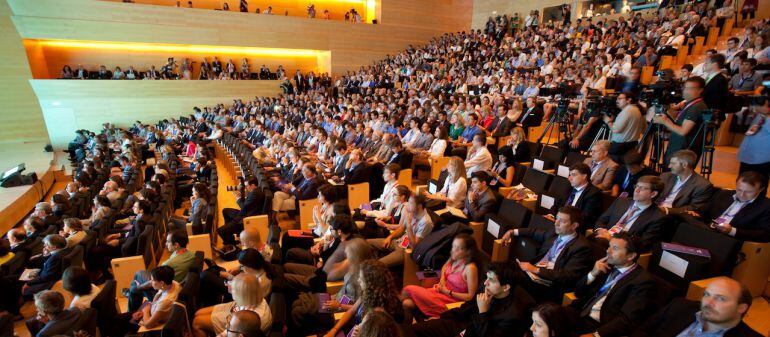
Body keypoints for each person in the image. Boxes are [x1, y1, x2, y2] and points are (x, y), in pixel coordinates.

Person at [409, 262, 535, 337]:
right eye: (486, 278)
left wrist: (483, 312)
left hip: (474, 333)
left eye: (491, 280)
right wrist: (442, 317)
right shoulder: (485, 288)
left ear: (506, 287)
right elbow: (465, 308)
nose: (485, 283)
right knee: (414, 330)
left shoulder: (513, 316)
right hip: (461, 325)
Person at [566, 233, 656, 337]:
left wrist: (596, 335)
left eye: (615, 248)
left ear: (631, 256)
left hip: (599, 326)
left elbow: (626, 320)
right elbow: (578, 292)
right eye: (609, 246)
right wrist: (592, 274)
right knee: (546, 314)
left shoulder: (643, 281)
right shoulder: (605, 265)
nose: (608, 251)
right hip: (579, 312)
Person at [501, 206, 594, 302]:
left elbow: (567, 276)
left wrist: (536, 270)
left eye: (562, 221)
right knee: (503, 270)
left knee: (509, 279)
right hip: (534, 272)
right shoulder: (554, 233)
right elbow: (534, 232)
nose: (556, 223)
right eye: (556, 219)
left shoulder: (581, 247)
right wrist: (512, 232)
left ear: (574, 226)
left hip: (552, 284)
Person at [630, 277, 762, 337]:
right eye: (706, 295)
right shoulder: (679, 306)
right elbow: (644, 330)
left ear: (741, 308)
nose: (708, 303)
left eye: (721, 298)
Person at [402, 234, 480, 319]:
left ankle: (392, 312)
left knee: (408, 289)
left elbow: (471, 297)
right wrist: (442, 278)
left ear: (467, 251)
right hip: (439, 292)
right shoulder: (454, 258)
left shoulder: (470, 268)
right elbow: (444, 267)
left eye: (458, 248)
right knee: (406, 303)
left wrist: (448, 292)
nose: (453, 250)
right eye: (453, 246)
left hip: (452, 301)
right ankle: (404, 328)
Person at [324, 260, 403, 337]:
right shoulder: (368, 293)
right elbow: (351, 311)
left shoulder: (380, 316)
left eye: (361, 279)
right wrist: (334, 330)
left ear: (370, 285)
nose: (358, 281)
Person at [592, 175, 666, 252]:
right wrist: (600, 230)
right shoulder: (621, 201)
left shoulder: (658, 217)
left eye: (642, 188)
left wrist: (612, 239)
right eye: (636, 186)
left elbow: (644, 243)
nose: (636, 190)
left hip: (622, 250)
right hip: (602, 237)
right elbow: (601, 220)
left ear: (653, 194)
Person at [126, 230, 195, 311]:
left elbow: (153, 282)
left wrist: (138, 287)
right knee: (139, 274)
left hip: (164, 291)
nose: (166, 244)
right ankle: (131, 292)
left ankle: (131, 306)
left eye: (168, 241)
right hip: (174, 283)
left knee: (135, 285)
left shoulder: (168, 264)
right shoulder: (192, 254)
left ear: (176, 245)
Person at [692, 171, 770, 242]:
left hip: (732, 241)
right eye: (739, 189)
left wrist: (732, 231)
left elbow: (765, 235)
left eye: (748, 192)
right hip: (707, 231)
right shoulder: (723, 194)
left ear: (760, 190)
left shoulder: (766, 206)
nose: (742, 195)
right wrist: (696, 213)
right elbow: (704, 210)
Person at [193, 273, 272, 337]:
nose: (230, 289)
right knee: (198, 313)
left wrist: (223, 334)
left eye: (233, 289)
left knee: (196, 323)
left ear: (241, 295)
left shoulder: (253, 317)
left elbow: (232, 330)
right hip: (235, 310)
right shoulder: (253, 296)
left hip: (236, 325)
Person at [653, 77, 708, 163]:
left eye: (689, 88)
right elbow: (680, 126)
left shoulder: (696, 106)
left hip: (682, 152)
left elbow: (683, 131)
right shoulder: (690, 104)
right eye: (684, 88)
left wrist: (665, 121)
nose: (685, 91)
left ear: (700, 90)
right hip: (678, 148)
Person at [368, 194, 433, 267]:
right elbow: (401, 229)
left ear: (419, 206)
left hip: (406, 251)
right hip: (398, 242)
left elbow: (414, 245)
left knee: (378, 265)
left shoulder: (426, 222)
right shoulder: (413, 212)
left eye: (411, 203)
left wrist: (409, 226)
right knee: (366, 243)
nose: (408, 205)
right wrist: (389, 238)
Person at [114, 266, 181, 336]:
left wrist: (145, 311)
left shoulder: (166, 301)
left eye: (152, 280)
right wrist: (146, 308)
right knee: (119, 319)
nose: (150, 282)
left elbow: (148, 325)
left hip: (150, 322)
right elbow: (156, 303)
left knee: (118, 321)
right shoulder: (173, 283)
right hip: (150, 311)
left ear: (161, 283)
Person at [657, 150, 714, 216]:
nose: (669, 166)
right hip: (655, 210)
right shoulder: (665, 176)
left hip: (674, 215)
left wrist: (666, 210)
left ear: (684, 165)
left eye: (673, 163)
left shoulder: (702, 185)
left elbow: (694, 208)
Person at [218, 177, 264, 245]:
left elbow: (243, 207)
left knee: (220, 231)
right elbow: (247, 204)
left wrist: (238, 198)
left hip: (246, 218)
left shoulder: (255, 194)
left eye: (247, 186)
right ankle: (229, 231)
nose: (246, 188)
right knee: (225, 211)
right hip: (245, 212)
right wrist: (241, 196)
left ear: (253, 185)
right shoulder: (255, 191)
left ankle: (231, 243)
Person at [738, 91, 770, 187]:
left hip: (762, 160)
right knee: (742, 182)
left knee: (756, 185)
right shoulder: (760, 115)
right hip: (747, 156)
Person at [560, 163, 603, 231]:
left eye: (573, 175)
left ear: (584, 176)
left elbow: (585, 217)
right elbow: (558, 204)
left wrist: (563, 221)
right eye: (569, 175)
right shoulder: (569, 187)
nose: (569, 178)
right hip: (560, 221)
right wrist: (551, 215)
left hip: (575, 227)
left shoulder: (594, 193)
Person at [605, 92, 645, 163]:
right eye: (617, 99)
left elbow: (616, 129)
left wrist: (608, 121)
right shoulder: (637, 110)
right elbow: (644, 129)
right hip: (631, 145)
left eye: (620, 99)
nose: (617, 101)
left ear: (628, 100)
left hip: (619, 147)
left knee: (615, 166)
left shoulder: (627, 111)